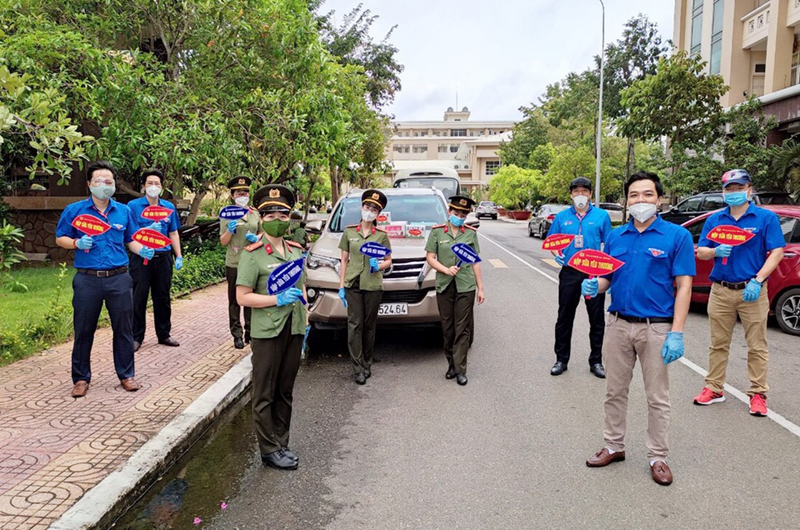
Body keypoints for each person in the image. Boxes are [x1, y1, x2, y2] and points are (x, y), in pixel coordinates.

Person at [583, 171, 695, 486]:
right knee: (614, 391)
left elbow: (684, 287)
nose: (640, 200)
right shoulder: (617, 237)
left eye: (647, 195)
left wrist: (677, 331)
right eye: (634, 195)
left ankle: (658, 456)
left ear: (660, 199)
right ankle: (613, 445)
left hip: (656, 329)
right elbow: (608, 277)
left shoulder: (677, 236)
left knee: (657, 397)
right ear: (626, 201)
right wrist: (596, 286)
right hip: (618, 325)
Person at [55, 161, 154, 398]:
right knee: (83, 329)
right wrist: (77, 243)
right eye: (98, 181)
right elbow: (60, 238)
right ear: (89, 184)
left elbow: (130, 239)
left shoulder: (124, 211)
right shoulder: (74, 210)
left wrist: (142, 249)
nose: (104, 185)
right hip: (87, 279)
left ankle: (126, 375)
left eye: (108, 181)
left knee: (124, 328)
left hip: (118, 278)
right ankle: (80, 378)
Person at [692, 169, 785, 416]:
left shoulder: (765, 219)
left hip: (752, 290)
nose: (734, 193)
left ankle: (758, 394)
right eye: (729, 189)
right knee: (717, 343)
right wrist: (714, 252)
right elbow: (701, 251)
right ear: (723, 192)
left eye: (738, 188)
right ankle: (714, 388)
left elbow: (776, 251)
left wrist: (758, 279)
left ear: (749, 190)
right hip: (721, 290)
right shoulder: (715, 219)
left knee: (757, 345)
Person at [236, 184, 307, 470]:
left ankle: (282, 441)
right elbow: (242, 296)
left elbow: (302, 287)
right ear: (261, 218)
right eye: (270, 214)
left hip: (294, 327)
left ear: (290, 217)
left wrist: (307, 320)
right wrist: (276, 298)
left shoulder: (295, 250)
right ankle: (268, 449)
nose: (277, 218)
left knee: (285, 388)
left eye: (282, 213)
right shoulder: (252, 254)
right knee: (264, 390)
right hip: (267, 330)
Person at [547, 177, 612, 378]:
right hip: (569, 272)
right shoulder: (562, 217)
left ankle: (596, 361)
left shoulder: (602, 216)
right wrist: (556, 253)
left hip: (593, 272)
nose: (580, 194)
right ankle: (561, 359)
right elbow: (552, 241)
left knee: (596, 319)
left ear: (591, 194)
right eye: (576, 191)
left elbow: (609, 245)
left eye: (584, 191)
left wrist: (606, 274)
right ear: (571, 194)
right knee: (565, 317)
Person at [425, 195, 485, 386]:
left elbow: (475, 261)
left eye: (463, 214)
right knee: (448, 328)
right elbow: (430, 257)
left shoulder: (470, 233)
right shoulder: (437, 232)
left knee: (463, 328)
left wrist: (480, 288)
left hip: (466, 285)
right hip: (444, 284)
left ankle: (461, 369)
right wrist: (445, 269)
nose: (459, 216)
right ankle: (451, 364)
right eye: (456, 212)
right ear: (449, 212)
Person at [338, 189, 392, 385]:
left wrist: (380, 265)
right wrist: (341, 284)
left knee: (369, 326)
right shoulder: (349, 232)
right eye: (367, 207)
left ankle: (367, 363)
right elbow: (344, 259)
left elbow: (388, 260)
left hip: (373, 285)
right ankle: (357, 367)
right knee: (354, 326)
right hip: (353, 283)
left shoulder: (382, 236)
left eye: (374, 209)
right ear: (361, 207)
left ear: (378, 214)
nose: (369, 211)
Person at [127, 169, 182, 352]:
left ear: (162, 187)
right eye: (149, 183)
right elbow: (130, 235)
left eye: (157, 184)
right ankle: (136, 337)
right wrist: (146, 230)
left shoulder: (168, 207)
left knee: (162, 297)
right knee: (138, 297)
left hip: (163, 258)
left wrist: (178, 255)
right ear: (143, 186)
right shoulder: (133, 207)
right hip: (141, 258)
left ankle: (164, 333)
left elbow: (173, 232)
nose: (153, 187)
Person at [220, 176, 262, 349]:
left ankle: (251, 331)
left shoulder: (255, 213)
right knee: (235, 300)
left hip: (252, 260)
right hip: (235, 262)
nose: (242, 194)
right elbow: (223, 241)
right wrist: (229, 231)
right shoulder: (227, 213)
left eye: (245, 192)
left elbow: (262, 234)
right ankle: (237, 334)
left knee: (251, 298)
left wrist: (256, 238)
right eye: (239, 192)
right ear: (232, 195)